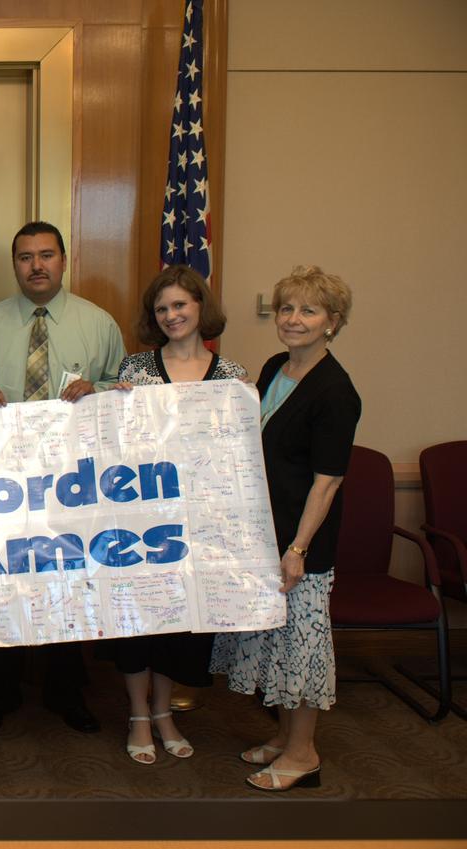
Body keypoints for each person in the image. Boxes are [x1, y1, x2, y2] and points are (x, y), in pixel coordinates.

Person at [0, 220, 125, 736]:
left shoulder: (99, 324)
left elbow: (123, 388)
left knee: (68, 585)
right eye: (25, 257)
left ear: (64, 261)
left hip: (73, 482)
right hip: (0, 483)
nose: (37, 266)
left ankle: (66, 693)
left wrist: (99, 391)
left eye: (46, 255)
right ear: (15, 265)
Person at [211, 265, 359, 791]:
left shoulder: (336, 392)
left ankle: (304, 755)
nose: (294, 319)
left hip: (301, 541)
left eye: (309, 311)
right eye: (287, 309)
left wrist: (297, 548)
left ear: (332, 322)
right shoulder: (276, 367)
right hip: (263, 530)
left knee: (301, 646)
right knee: (276, 644)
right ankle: (283, 739)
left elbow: (327, 483)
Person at [110, 264, 247, 765]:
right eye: (161, 308)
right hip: (141, 519)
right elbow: (118, 448)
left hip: (200, 525)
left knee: (178, 623)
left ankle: (165, 711)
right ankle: (138, 714)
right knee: (137, 621)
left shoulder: (232, 378)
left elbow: (236, 457)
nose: (171, 315)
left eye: (180, 306)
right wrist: (112, 408)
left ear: (200, 308)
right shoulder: (135, 371)